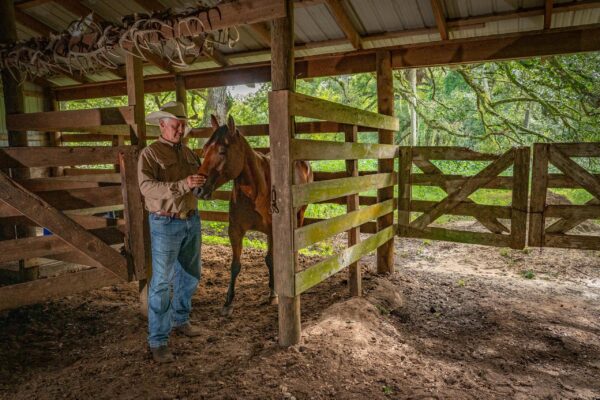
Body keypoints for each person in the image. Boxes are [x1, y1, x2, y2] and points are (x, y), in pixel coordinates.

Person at [138, 101, 206, 363]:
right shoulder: (150, 154)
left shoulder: (189, 154)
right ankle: (158, 340)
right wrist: (182, 185)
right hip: (165, 223)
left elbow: (197, 181)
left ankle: (181, 319)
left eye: (183, 125)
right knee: (162, 282)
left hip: (191, 219)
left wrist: (201, 186)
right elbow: (147, 188)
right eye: (177, 125)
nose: (181, 129)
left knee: (190, 274)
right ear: (162, 125)